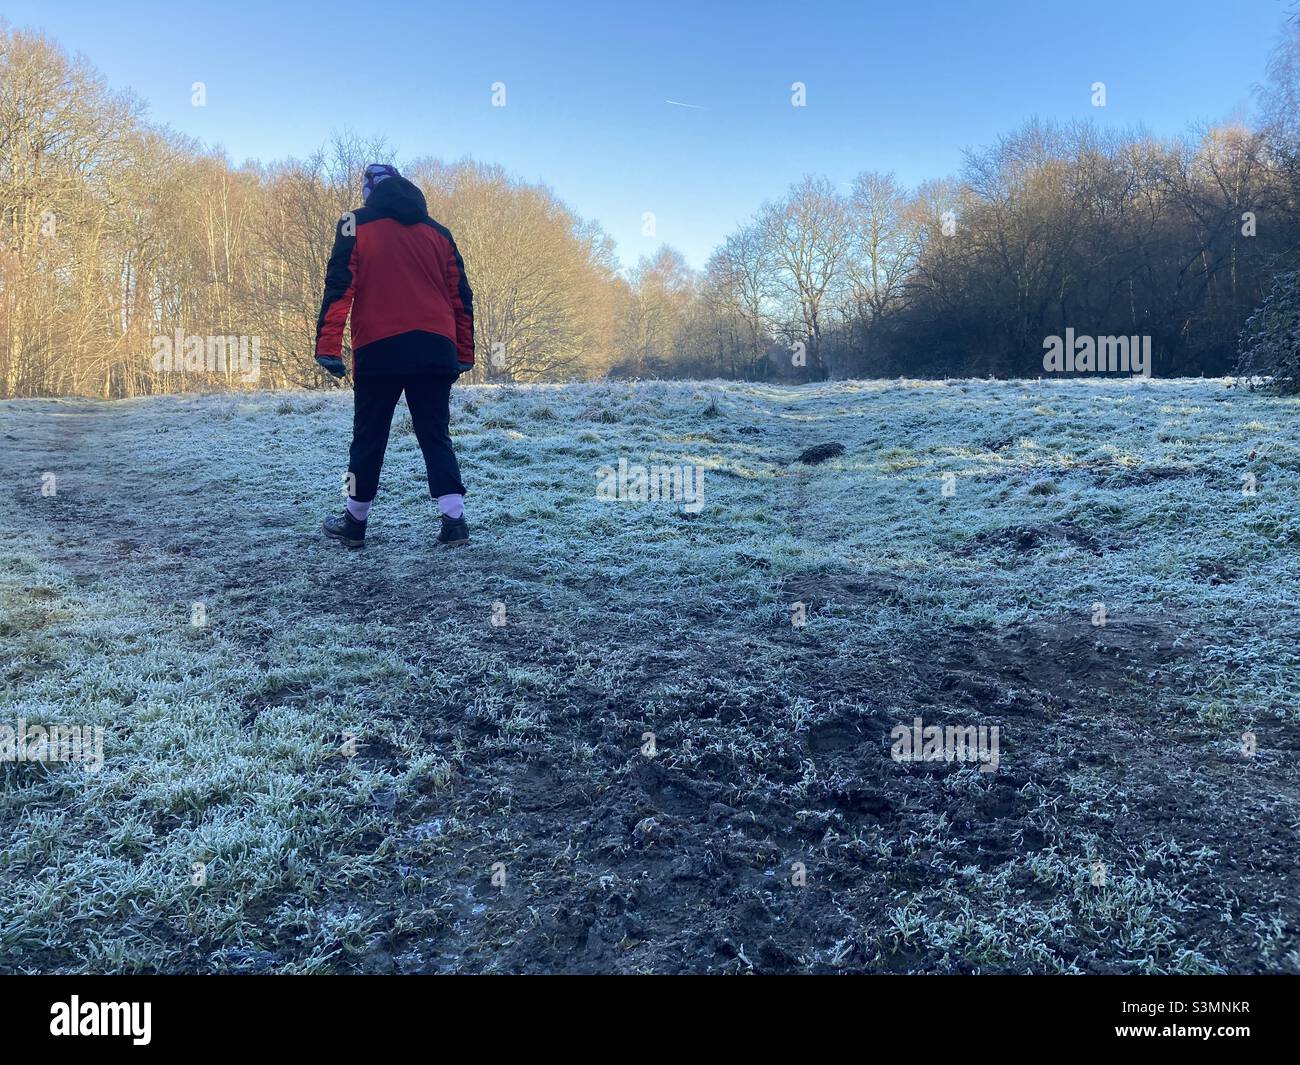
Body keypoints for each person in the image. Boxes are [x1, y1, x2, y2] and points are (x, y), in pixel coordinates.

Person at [314, 163, 474, 548]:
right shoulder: (440, 233)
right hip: (435, 347)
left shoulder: (354, 223)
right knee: (435, 434)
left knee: (368, 437)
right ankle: (454, 522)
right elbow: (460, 297)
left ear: (369, 190)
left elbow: (341, 285)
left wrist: (327, 345)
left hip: (379, 346)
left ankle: (354, 524)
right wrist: (464, 352)